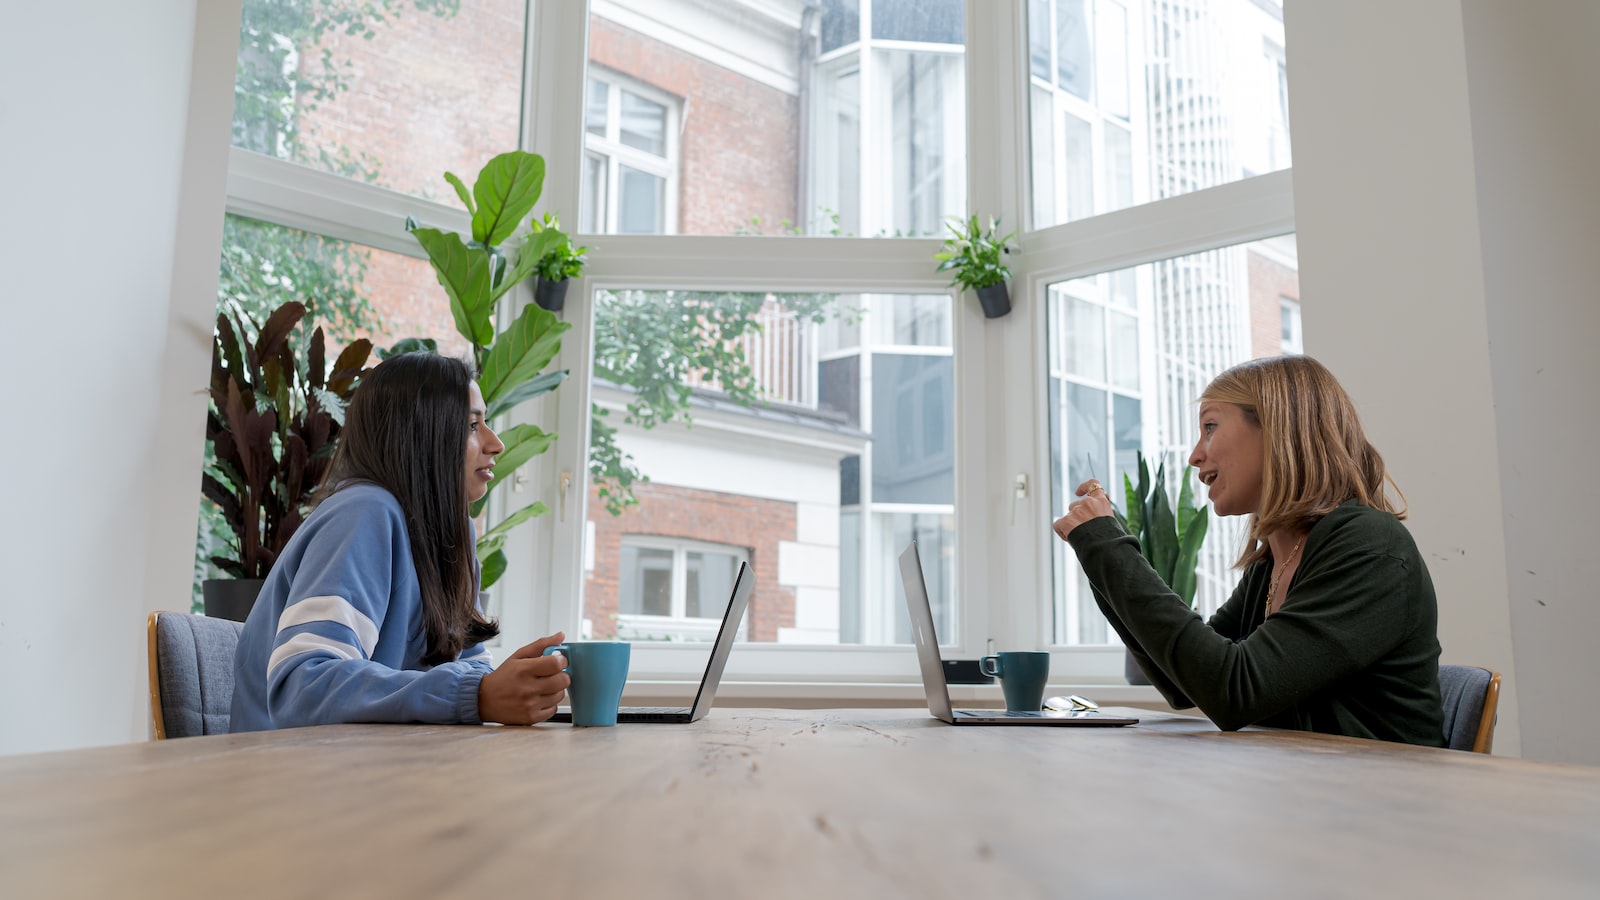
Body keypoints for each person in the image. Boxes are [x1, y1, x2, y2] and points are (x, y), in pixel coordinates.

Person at [1052, 355, 1444, 746]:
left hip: (1385, 799)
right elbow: (1184, 683)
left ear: (1277, 429)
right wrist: (1098, 554)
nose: (1194, 456)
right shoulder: (1277, 559)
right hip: (1309, 792)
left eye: (1210, 427)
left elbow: (1234, 691)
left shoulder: (1370, 548)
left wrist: (1110, 550)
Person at [230, 352, 570, 732]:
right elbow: (302, 687)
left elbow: (468, 665)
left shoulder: (452, 531)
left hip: (376, 770)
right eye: (473, 426)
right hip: (285, 778)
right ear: (421, 433)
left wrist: (496, 686)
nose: (496, 444)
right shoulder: (364, 513)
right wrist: (474, 695)